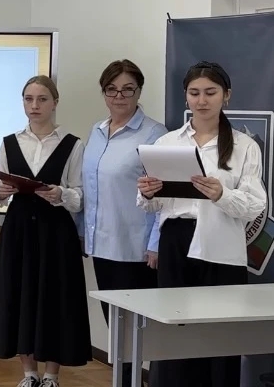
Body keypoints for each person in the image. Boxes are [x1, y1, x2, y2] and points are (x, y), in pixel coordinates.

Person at [137, 61, 266, 387]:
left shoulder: (244, 146)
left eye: (210, 92)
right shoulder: (168, 143)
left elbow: (256, 205)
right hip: (176, 240)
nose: (202, 100)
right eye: (194, 93)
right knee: (175, 331)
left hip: (221, 241)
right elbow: (154, 205)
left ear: (226, 95)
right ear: (186, 97)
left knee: (220, 334)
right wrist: (148, 192)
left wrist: (222, 194)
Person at [0, 75, 90, 387]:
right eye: (29, 99)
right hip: (19, 230)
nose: (34, 105)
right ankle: (29, 373)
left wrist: (61, 194)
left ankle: (52, 375)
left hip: (55, 232)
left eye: (42, 99)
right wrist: (2, 191)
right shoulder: (9, 142)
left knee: (55, 296)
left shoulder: (73, 144)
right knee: (20, 293)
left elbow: (80, 195)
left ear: (55, 102)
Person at [77, 60, 166, 387]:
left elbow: (165, 195)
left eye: (128, 89)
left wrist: (155, 244)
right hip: (101, 245)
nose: (119, 96)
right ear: (104, 93)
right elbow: (90, 187)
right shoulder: (97, 131)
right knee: (116, 328)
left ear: (139, 92)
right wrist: (81, 233)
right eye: (112, 89)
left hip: (135, 249)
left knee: (137, 333)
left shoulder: (155, 135)